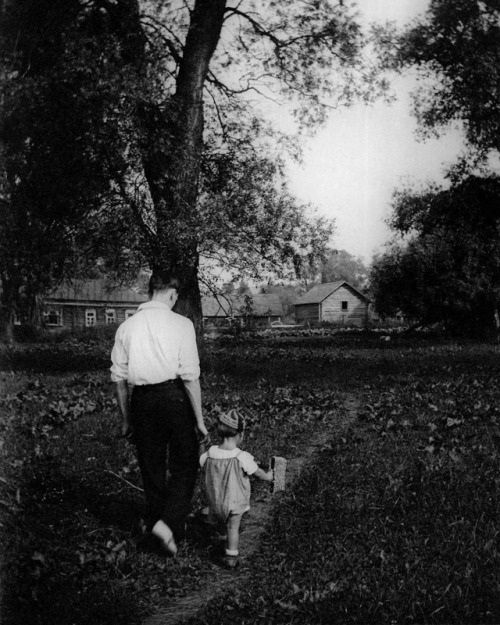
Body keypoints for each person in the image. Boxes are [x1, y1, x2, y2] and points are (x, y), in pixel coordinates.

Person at [110, 270, 208, 556]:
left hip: (141, 402)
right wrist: (199, 420)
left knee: (151, 466)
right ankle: (168, 525)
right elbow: (190, 376)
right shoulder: (181, 324)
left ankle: (159, 528)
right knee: (186, 462)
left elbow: (118, 378)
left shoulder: (127, 327)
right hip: (173, 398)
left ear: (150, 291)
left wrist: (126, 418)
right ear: (173, 294)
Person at [199, 409, 273, 569]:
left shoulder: (210, 453)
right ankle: (231, 556)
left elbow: (200, 461)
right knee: (233, 527)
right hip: (234, 501)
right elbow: (256, 472)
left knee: (221, 524)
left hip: (215, 501)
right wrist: (268, 476)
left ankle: (221, 540)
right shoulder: (241, 456)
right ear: (240, 435)